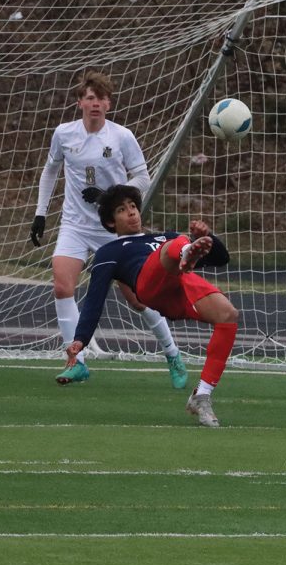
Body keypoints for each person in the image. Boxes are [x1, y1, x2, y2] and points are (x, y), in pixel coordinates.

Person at [31, 70, 188, 389]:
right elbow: (49, 172)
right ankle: (77, 361)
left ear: (108, 104)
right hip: (75, 225)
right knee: (62, 285)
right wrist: (40, 213)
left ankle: (172, 353)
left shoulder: (121, 137)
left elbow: (142, 178)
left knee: (139, 297)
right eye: (90, 97)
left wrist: (110, 195)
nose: (95, 104)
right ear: (79, 102)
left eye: (101, 98)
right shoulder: (64, 134)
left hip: (114, 231)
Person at [63, 184, 237, 427]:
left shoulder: (162, 235)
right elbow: (94, 298)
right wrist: (80, 339)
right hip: (150, 288)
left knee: (228, 315)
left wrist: (208, 236)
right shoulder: (109, 251)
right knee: (173, 246)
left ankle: (201, 395)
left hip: (181, 286)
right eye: (122, 210)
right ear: (111, 222)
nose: (132, 212)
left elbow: (222, 259)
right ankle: (187, 253)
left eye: (133, 206)